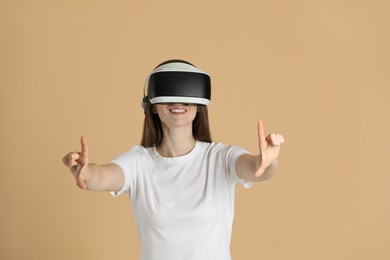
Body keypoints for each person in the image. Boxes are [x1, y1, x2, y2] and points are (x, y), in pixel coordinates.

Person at [62, 59, 285, 260]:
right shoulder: (139, 163)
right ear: (152, 106)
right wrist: (86, 172)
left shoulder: (220, 158)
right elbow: (102, 176)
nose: (178, 102)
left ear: (199, 105)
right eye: (169, 94)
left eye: (186, 94)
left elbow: (256, 168)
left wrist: (268, 161)